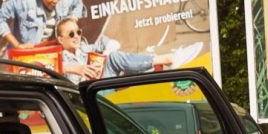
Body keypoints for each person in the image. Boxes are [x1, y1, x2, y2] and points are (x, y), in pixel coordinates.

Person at [55, 17, 201, 83]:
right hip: (85, 92)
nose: (77, 36)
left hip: (101, 81)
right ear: (61, 39)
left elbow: (112, 43)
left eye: (78, 32)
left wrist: (102, 58)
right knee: (116, 59)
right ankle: (168, 60)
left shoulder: (84, 48)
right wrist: (78, 70)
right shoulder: (58, 58)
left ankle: (167, 61)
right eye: (71, 34)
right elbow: (52, 68)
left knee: (115, 57)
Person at [0, 0, 87, 50]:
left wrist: (72, 20)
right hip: (26, 53)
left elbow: (78, 1)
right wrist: (17, 45)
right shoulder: (23, 1)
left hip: (51, 51)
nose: (56, 0)